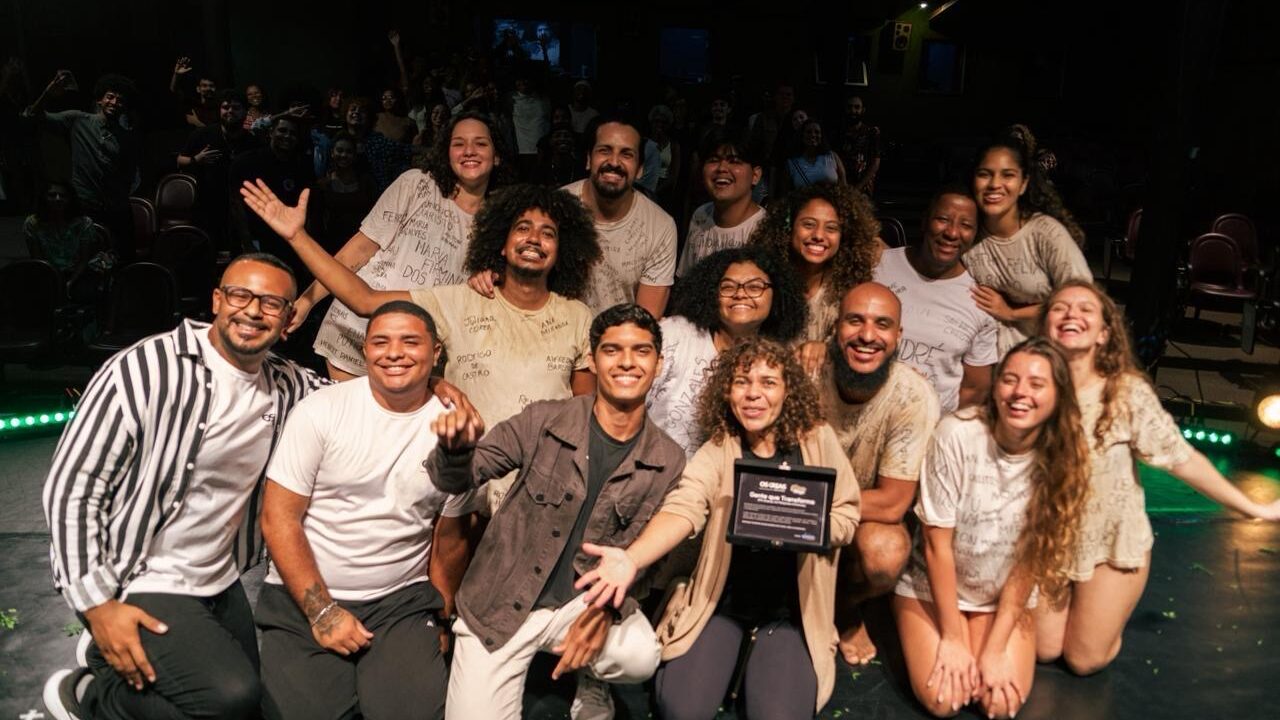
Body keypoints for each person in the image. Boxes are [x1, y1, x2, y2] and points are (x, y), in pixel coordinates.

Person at [41, 254, 327, 720]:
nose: (253, 311)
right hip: (139, 573)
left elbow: (358, 398)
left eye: (271, 303)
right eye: (240, 295)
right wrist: (98, 608)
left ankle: (117, 663)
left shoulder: (288, 385)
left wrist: (433, 386)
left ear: (288, 318)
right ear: (217, 300)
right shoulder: (143, 369)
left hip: (219, 577)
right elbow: (72, 488)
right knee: (230, 699)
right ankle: (93, 695)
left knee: (257, 711)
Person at [424, 304, 686, 720]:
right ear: (592, 361)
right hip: (501, 603)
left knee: (639, 656)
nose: (627, 362)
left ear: (659, 363)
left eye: (641, 350)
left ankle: (592, 676)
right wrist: (455, 451)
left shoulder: (667, 459)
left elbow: (648, 560)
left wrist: (606, 612)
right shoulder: (543, 419)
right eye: (612, 350)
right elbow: (460, 477)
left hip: (581, 604)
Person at [577, 337, 861, 718]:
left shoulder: (816, 439)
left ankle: (758, 664)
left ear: (787, 390)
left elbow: (847, 515)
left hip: (789, 614)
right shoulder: (720, 449)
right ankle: (704, 630)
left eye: (768, 382)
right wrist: (631, 559)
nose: (753, 394)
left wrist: (805, 524)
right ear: (727, 391)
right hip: (722, 604)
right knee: (680, 710)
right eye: (742, 382)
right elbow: (684, 506)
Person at [1034, 281, 1280, 675]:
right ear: (1045, 324)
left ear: (1104, 333)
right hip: (1048, 538)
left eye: (1085, 308)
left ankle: (1105, 609)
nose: (1071, 314)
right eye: (1060, 307)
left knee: (1083, 660)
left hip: (1110, 540)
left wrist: (1254, 508)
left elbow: (1183, 460)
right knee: (1045, 649)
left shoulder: (1124, 393)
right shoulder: (1029, 384)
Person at [256, 301, 478, 720]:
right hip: (304, 594)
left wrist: (442, 616)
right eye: (380, 342)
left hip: (400, 601)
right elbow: (278, 518)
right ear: (365, 351)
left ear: (435, 352)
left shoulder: (454, 427)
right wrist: (323, 612)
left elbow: (450, 538)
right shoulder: (321, 410)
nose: (394, 353)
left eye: (410, 342)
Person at [242, 180, 599, 440]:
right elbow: (363, 299)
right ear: (501, 245)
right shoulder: (459, 300)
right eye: (523, 228)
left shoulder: (578, 318)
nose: (534, 238)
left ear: (562, 250)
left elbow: (585, 414)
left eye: (548, 233)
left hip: (542, 487)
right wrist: (297, 237)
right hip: (466, 478)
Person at [892, 338, 1092, 719]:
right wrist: (952, 638)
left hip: (1000, 595)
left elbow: (1029, 560)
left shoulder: (1061, 455)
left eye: (1036, 384)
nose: (1020, 393)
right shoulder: (956, 434)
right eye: (1010, 379)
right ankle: (913, 622)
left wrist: (996, 646)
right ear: (996, 385)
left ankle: (980, 636)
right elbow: (936, 546)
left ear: (1058, 396)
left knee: (998, 704)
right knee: (945, 700)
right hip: (932, 586)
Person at [295, 111, 508, 380]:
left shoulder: (498, 224)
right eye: (458, 143)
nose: (469, 151)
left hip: (418, 354)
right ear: (446, 152)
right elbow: (360, 249)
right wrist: (306, 301)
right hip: (355, 332)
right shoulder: (416, 184)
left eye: (480, 143)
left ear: (497, 156)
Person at [818, 282, 941, 666]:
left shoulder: (913, 395)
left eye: (882, 324)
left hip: (861, 515)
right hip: (804, 506)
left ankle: (845, 607)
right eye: (855, 321)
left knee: (885, 555)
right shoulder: (807, 371)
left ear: (898, 336)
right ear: (835, 327)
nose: (868, 335)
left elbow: (892, 503)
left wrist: (808, 505)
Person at [473, 118, 676, 320]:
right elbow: (520, 271)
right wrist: (490, 275)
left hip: (620, 337)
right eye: (604, 150)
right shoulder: (555, 208)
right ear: (588, 159)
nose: (614, 162)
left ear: (640, 169)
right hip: (552, 330)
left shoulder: (660, 227)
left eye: (626, 154)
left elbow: (645, 320)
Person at [650, 246, 806, 457]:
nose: (740, 294)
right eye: (728, 287)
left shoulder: (778, 360)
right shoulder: (674, 335)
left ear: (776, 295)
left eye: (755, 287)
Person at [963, 124, 1091, 354]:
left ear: (1023, 184)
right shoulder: (966, 232)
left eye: (1008, 175)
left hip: (1045, 356)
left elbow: (1083, 300)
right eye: (985, 174)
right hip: (985, 359)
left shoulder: (1046, 233)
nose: (994, 184)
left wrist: (1011, 312)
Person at [873, 185, 997, 412]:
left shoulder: (981, 299)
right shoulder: (878, 266)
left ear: (975, 235)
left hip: (933, 427)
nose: (952, 233)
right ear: (924, 221)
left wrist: (946, 428)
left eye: (966, 225)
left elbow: (975, 389)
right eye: (943, 219)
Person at [750, 181, 879, 357]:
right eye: (808, 225)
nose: (818, 235)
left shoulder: (851, 290)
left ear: (844, 236)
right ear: (789, 227)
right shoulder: (763, 280)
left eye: (831, 228)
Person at [23, 71, 139, 259]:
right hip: (84, 204)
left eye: (120, 100)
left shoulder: (127, 137)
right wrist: (48, 93)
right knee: (81, 257)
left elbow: (129, 174)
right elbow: (33, 117)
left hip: (115, 207)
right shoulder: (78, 120)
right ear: (100, 100)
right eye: (110, 97)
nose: (114, 102)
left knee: (122, 255)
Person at [675, 126, 766, 277]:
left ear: (755, 175)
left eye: (734, 161)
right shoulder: (701, 215)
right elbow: (685, 279)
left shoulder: (766, 229)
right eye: (713, 160)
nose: (722, 168)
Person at [178, 89, 262, 249]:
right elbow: (180, 160)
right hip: (207, 206)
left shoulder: (253, 141)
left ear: (245, 112)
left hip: (241, 209)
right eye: (225, 107)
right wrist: (196, 159)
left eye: (236, 108)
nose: (230, 111)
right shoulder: (202, 135)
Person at [230, 116, 316, 270]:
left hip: (289, 242)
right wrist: (247, 241)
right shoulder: (247, 162)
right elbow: (236, 204)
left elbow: (308, 208)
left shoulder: (302, 166)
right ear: (271, 132)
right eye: (282, 130)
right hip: (257, 239)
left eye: (292, 133)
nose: (287, 136)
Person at [23, 181, 109, 302]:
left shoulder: (83, 223)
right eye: (52, 195)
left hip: (78, 271)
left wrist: (70, 281)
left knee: (84, 294)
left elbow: (84, 259)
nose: (58, 199)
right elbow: (38, 258)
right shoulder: (33, 223)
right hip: (49, 271)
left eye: (63, 196)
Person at [309, 133, 377, 253]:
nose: (344, 155)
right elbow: (316, 223)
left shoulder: (366, 183)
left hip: (359, 246)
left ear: (355, 156)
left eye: (349, 152)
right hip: (330, 246)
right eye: (339, 150)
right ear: (332, 153)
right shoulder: (323, 185)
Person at [782, 118, 846, 191]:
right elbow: (785, 192)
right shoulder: (792, 163)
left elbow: (844, 186)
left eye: (817, 132)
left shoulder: (832, 156)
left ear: (821, 136)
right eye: (809, 132)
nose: (813, 135)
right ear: (802, 136)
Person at [510, 73, 551, 181]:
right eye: (520, 79)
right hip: (520, 152)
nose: (523, 82)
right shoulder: (510, 100)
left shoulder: (543, 100)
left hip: (541, 151)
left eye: (526, 79)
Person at [838, 96, 881, 195]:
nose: (853, 110)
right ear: (845, 109)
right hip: (841, 188)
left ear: (863, 110)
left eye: (857, 107)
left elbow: (876, 162)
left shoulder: (871, 132)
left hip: (863, 189)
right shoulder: (838, 133)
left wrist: (858, 187)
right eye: (850, 107)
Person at [170, 57, 218, 128]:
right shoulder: (192, 105)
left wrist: (197, 123)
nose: (208, 88)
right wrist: (177, 74)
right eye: (204, 86)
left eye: (211, 86)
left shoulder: (220, 107)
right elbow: (174, 90)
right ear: (198, 89)